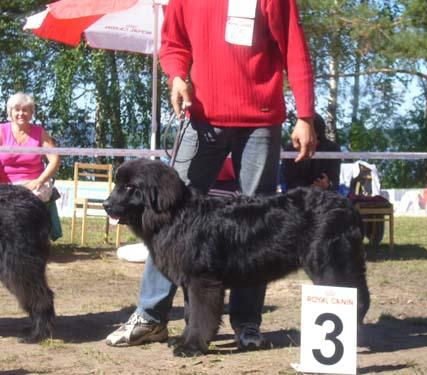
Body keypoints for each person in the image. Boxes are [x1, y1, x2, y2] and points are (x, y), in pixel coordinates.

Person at [105, 0, 317, 350]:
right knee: (165, 213)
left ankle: (247, 322)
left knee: (256, 226)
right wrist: (176, 76)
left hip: (261, 120)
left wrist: (306, 115)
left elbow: (295, 49)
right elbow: (173, 43)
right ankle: (151, 315)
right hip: (201, 117)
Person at [0, 92, 60, 202]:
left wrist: (39, 181)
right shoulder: (1, 131)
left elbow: (55, 160)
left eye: (25, 110)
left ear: (31, 113)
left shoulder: (40, 132)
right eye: (17, 110)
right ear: (10, 112)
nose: (21, 113)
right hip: (6, 186)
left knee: (28, 202)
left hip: (36, 184)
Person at [282, 113, 340, 192]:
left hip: (324, 196)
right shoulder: (290, 149)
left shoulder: (332, 149)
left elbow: (334, 180)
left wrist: (328, 185)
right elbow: (289, 179)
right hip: (298, 195)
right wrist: (309, 189)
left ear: (317, 133)